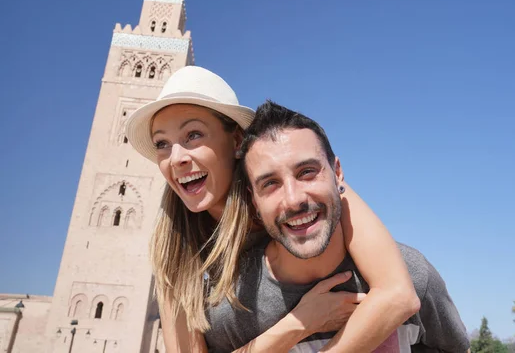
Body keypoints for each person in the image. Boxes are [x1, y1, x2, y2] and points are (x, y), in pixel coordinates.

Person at [125, 66, 421, 352]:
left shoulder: (308, 189)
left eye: (193, 135)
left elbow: (398, 295)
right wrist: (300, 322)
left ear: (237, 141)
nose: (176, 158)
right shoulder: (174, 251)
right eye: (162, 143)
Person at [201, 100, 470, 352]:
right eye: (270, 184)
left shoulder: (413, 275)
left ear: (337, 172)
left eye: (307, 172)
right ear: (253, 201)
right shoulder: (234, 307)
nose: (294, 200)